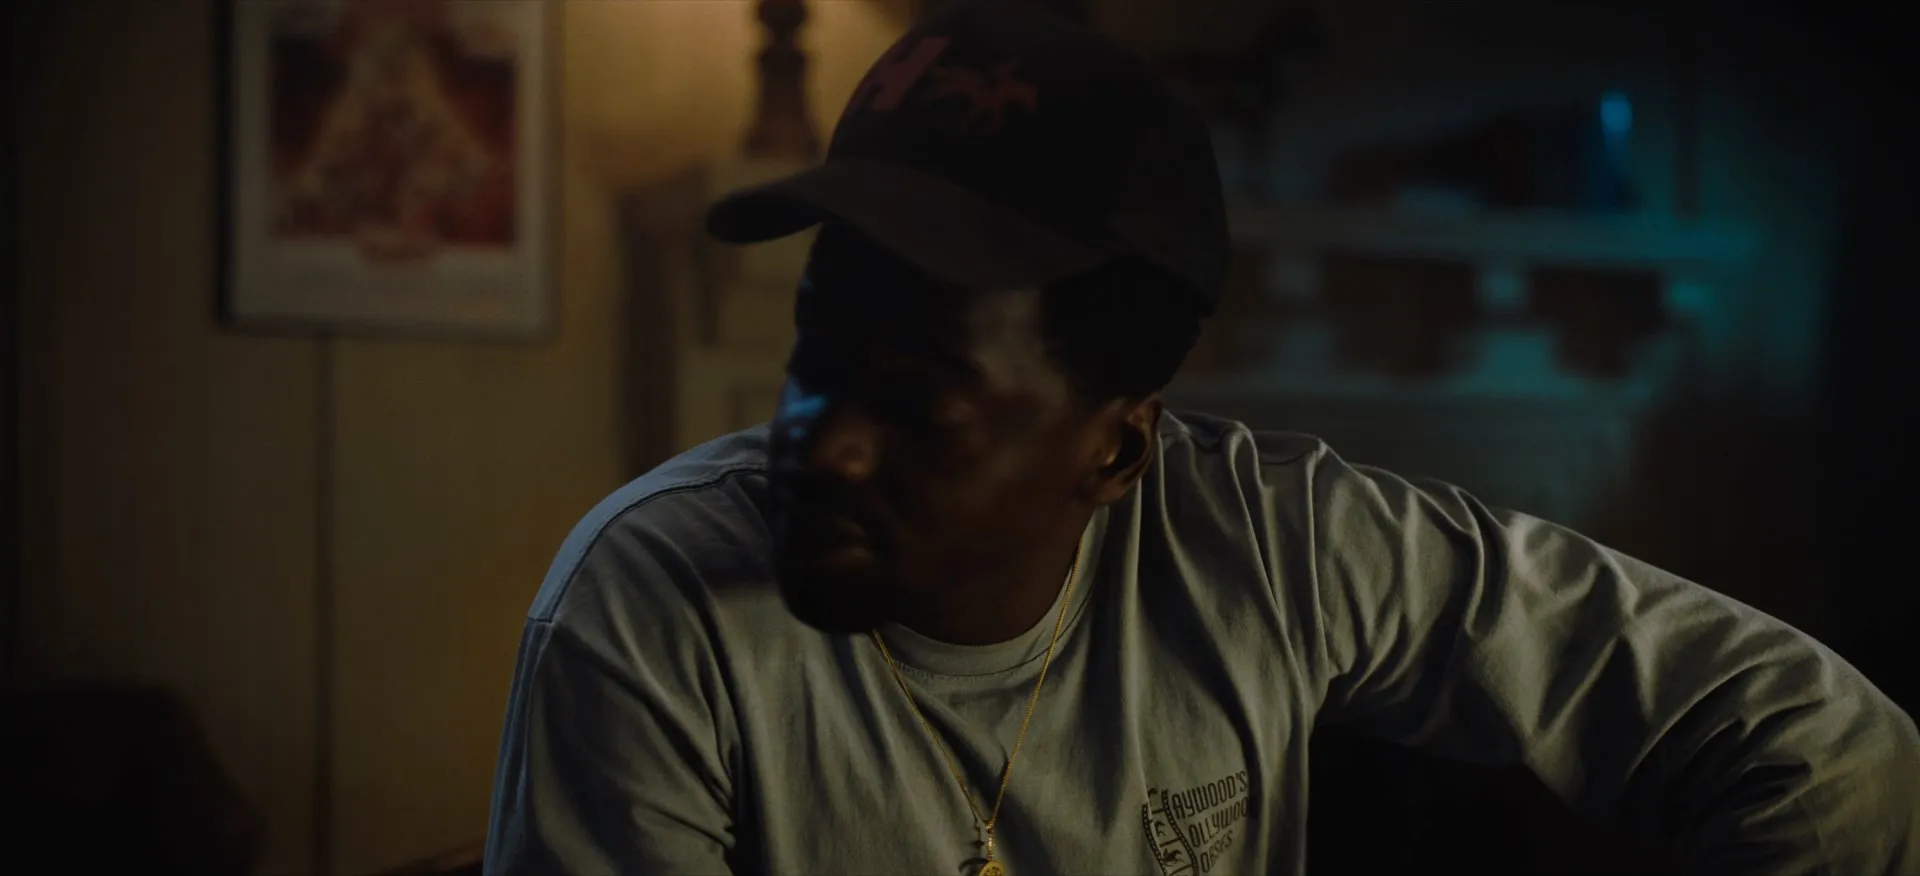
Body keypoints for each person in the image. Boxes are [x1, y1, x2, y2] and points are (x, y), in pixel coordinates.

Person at [482, 2, 1919, 874]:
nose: (825, 443)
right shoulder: (648, 601)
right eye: (815, 352)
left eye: (917, 400)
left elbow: (1829, 747)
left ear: (1116, 454)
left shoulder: (1274, 540)